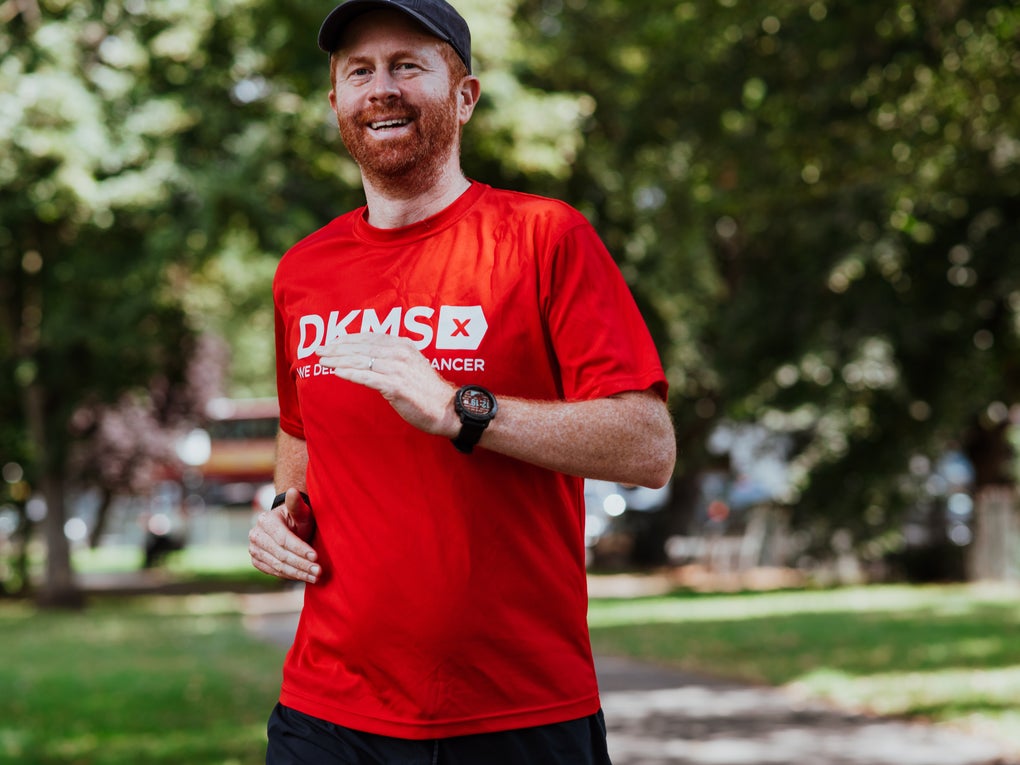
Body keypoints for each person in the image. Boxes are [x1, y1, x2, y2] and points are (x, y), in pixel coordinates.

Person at [247, 0, 676, 762]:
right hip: (326, 713)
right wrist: (286, 507)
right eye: (360, 72)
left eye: (409, 65)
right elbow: (300, 427)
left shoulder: (546, 238)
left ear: (464, 95)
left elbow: (647, 446)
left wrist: (464, 411)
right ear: (336, 102)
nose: (382, 88)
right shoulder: (301, 272)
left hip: (515, 714)